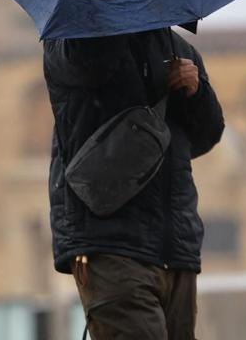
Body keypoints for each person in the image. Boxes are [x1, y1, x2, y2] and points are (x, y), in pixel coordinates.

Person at [43, 28, 225, 340]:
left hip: (175, 244)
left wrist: (196, 90)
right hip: (110, 241)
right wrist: (115, 30)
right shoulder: (73, 40)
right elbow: (90, 70)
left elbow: (206, 135)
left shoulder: (178, 49)